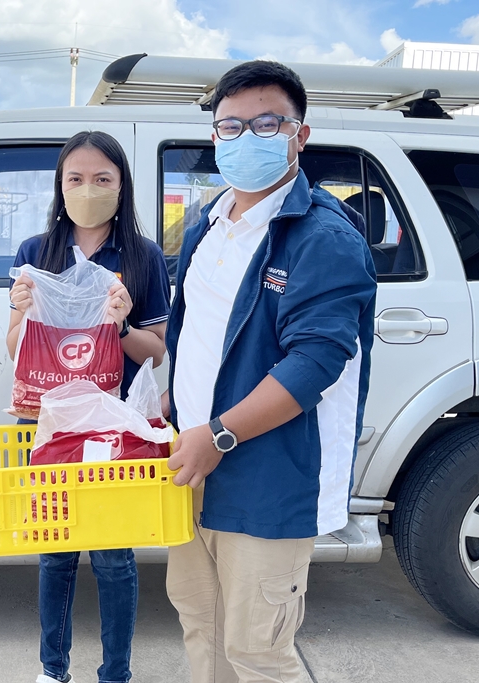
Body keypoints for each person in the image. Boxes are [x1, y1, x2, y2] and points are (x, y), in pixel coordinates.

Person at [163, 61, 377, 683]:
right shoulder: (209, 222)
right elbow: (196, 339)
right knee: (202, 626)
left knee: (259, 650)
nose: (246, 137)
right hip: (194, 463)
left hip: (268, 475)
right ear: (214, 138)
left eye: (266, 123)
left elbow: (314, 363)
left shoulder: (323, 237)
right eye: (231, 126)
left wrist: (219, 434)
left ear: (298, 135)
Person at [8, 130, 171, 683]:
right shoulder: (36, 253)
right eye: (75, 178)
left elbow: (154, 353)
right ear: (60, 185)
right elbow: (15, 350)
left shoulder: (144, 258)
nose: (88, 188)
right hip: (52, 426)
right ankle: (53, 671)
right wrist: (24, 314)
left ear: (122, 187)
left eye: (103, 179)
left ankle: (115, 674)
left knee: (112, 557)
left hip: (112, 431)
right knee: (55, 551)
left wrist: (122, 324)